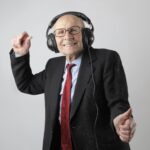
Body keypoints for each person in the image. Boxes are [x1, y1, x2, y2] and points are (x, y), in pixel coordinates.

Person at [10, 11, 136, 150]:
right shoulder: (53, 66)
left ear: (86, 35)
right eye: (60, 32)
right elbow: (27, 85)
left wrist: (120, 121)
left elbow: (117, 102)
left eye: (73, 30)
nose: (67, 36)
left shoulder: (106, 59)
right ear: (52, 40)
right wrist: (20, 54)